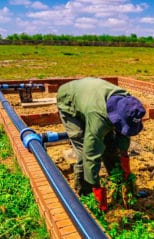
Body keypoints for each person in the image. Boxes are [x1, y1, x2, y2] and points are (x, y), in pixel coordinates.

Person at [57, 77, 146, 211]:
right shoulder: (98, 116)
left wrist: (124, 160)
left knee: (111, 147)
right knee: (83, 152)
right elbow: (91, 154)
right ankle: (87, 195)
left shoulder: (126, 103)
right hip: (69, 101)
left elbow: (124, 134)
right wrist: (96, 188)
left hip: (90, 96)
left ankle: (121, 188)